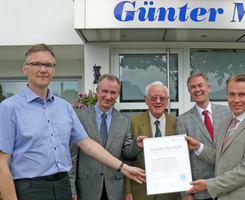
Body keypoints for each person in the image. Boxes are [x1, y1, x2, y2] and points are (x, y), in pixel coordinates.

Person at [0, 43, 145, 200]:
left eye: (48, 65)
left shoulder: (65, 107)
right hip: (30, 189)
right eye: (36, 64)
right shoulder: (9, 108)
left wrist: (123, 168)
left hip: (62, 187)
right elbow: (2, 164)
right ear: (25, 69)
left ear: (53, 70)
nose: (43, 69)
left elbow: (89, 145)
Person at [185, 74, 245, 200]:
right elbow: (223, 159)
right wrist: (199, 147)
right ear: (226, 95)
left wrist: (209, 185)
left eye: (242, 94)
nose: (236, 100)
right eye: (232, 94)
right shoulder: (226, 122)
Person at [68, 74, 146, 200]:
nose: (108, 97)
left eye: (113, 92)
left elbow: (127, 154)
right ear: (97, 91)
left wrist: (136, 145)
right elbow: (72, 157)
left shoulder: (125, 121)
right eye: (104, 91)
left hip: (114, 188)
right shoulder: (79, 117)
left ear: (118, 94)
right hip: (87, 188)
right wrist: (71, 187)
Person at [176, 72, 230, 200]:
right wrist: (185, 193)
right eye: (193, 87)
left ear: (209, 87)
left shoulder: (227, 113)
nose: (197, 90)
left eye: (200, 85)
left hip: (227, 187)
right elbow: (181, 159)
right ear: (189, 92)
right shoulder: (182, 120)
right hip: (200, 190)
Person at [125, 81, 178, 200]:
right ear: (146, 99)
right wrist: (127, 190)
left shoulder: (177, 122)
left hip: (169, 192)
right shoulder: (132, 122)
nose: (158, 101)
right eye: (153, 98)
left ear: (167, 100)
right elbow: (126, 158)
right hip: (140, 191)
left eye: (162, 98)